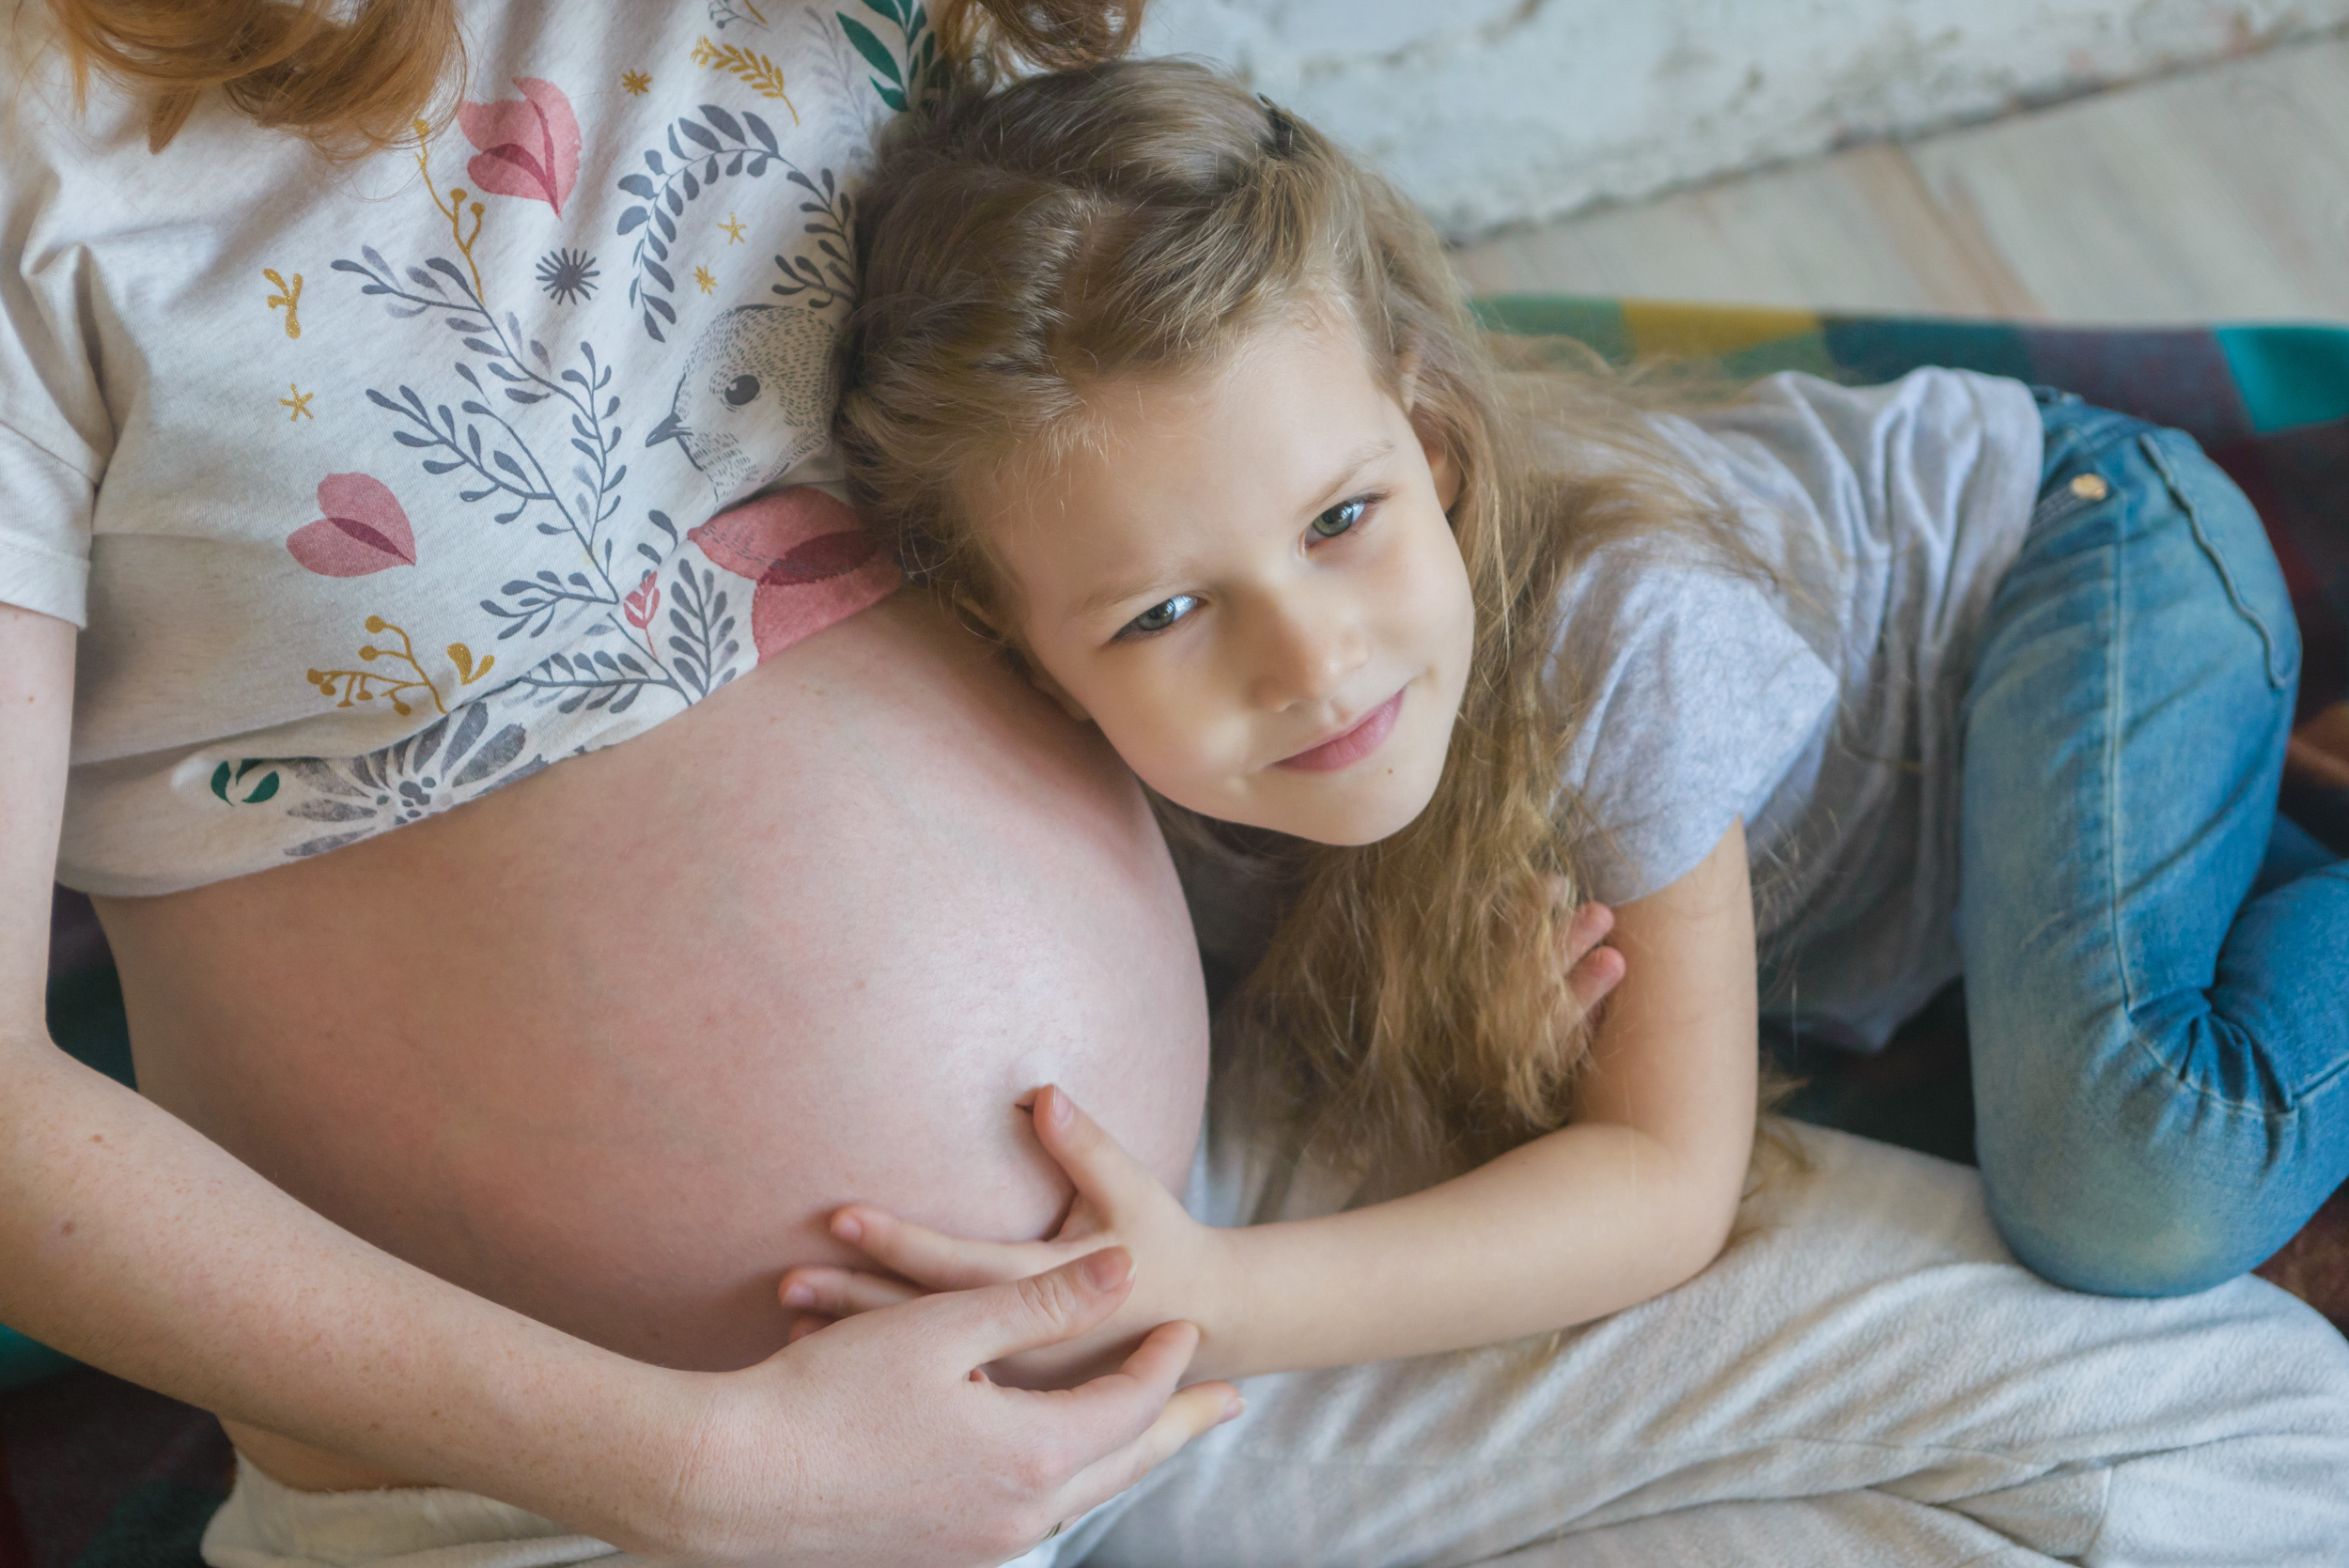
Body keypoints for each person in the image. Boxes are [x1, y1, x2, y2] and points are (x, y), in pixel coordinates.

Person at [4, 10, 2346, 1568]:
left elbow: (1246, 398)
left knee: (2231, 1429)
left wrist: (1229, 1267)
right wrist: (707, 1467)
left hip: (1220, 1234)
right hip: (580, 1478)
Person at [808, 59, 2349, 1342]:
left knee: (2128, 1168)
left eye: (1343, 519)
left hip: (2070, 569)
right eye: (1164, 612)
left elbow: (1668, 1184)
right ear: (1018, 657)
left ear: (1433, 441)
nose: (1312, 661)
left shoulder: (1622, 637)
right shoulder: (1088, 803)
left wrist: (1211, 1295)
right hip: (1925, 880)